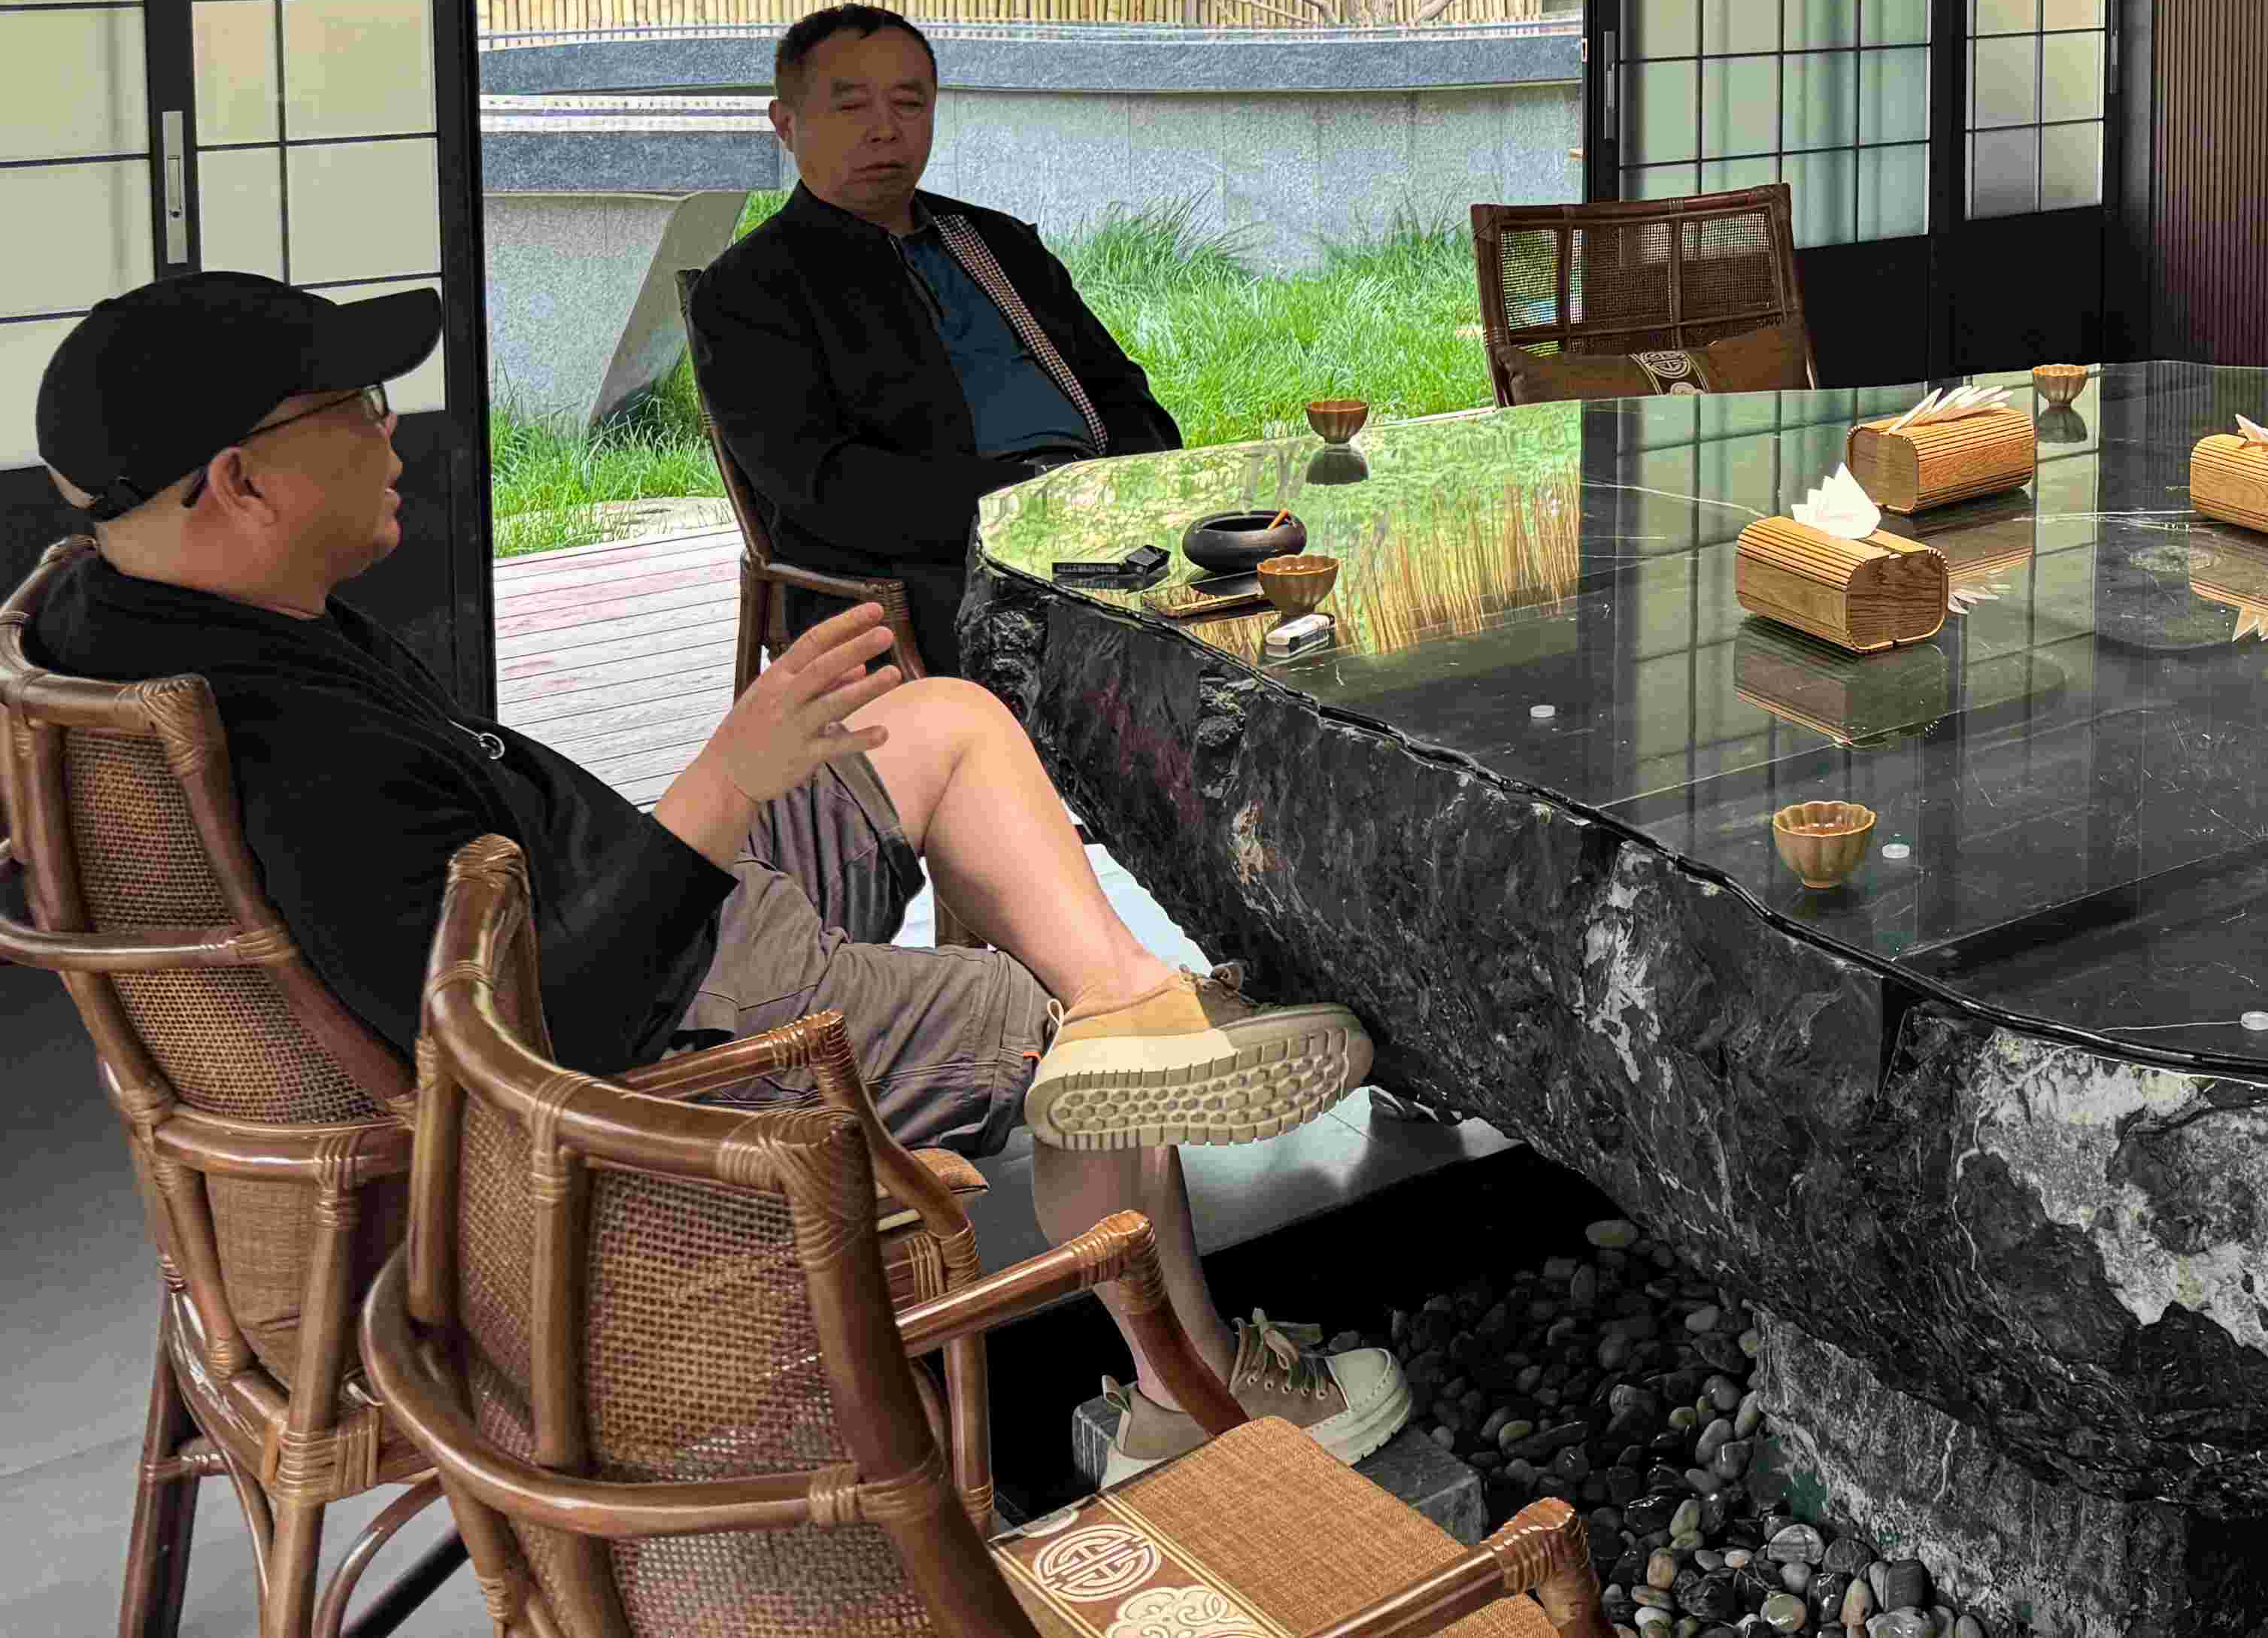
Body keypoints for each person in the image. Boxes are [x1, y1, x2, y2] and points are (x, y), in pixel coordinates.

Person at [26, 271, 1406, 1487]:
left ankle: (1138, 995)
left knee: (940, 723)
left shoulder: (128, 610)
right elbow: (547, 1042)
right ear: (239, 481)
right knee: (1079, 1056)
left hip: (640, 900)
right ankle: (1184, 1388)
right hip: (677, 1028)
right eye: (360, 405)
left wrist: (714, 795)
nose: (395, 431)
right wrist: (725, 782)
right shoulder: (296, 756)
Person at [690, 3, 1180, 678]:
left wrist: (1129, 485)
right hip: (927, 570)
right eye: (851, 107)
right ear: (786, 124)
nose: (885, 130)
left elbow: (1121, 392)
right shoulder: (751, 287)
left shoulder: (996, 242)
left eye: (909, 104)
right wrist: (1027, 500)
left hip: (1099, 524)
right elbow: (825, 485)